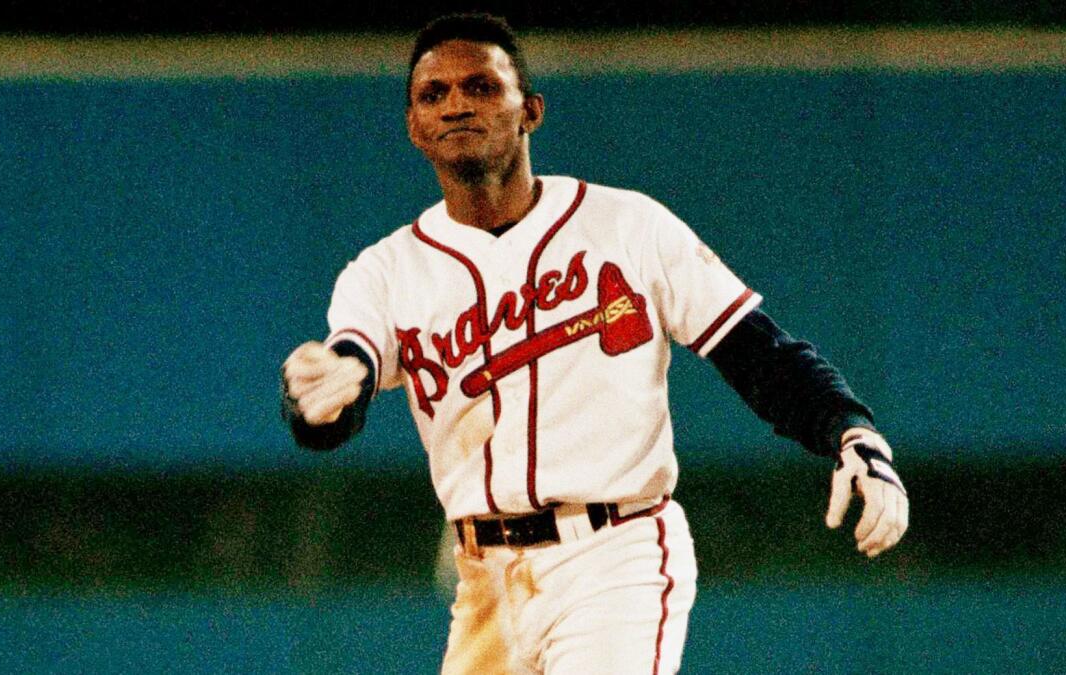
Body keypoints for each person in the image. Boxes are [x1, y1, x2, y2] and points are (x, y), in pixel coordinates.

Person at [281, 13, 908, 674]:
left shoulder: (627, 226)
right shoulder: (383, 273)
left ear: (531, 110)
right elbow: (343, 382)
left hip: (615, 552)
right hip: (485, 583)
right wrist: (323, 398)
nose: (457, 104)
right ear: (413, 127)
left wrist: (851, 430)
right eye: (433, 95)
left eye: (482, 86)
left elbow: (759, 353)